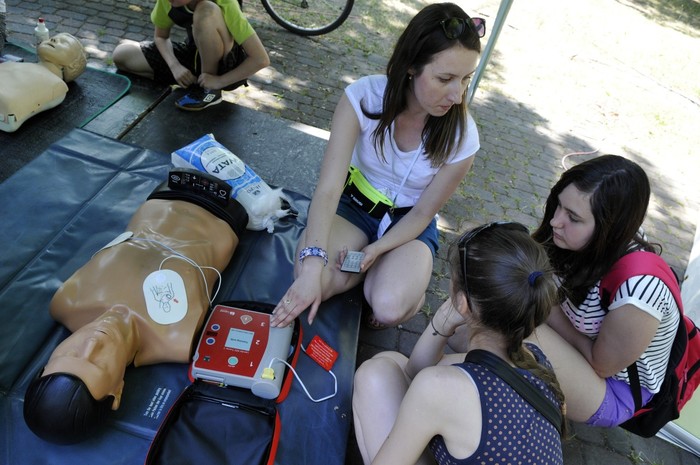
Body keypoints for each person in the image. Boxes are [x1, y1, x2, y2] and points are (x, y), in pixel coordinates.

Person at [271, 3, 484, 329]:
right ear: (411, 66)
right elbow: (328, 188)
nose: (457, 95)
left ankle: (393, 280)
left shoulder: (463, 136)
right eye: (445, 79)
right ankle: (367, 273)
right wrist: (313, 264)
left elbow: (423, 213)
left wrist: (377, 249)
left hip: (408, 223)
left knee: (388, 308)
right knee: (309, 278)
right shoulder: (363, 97)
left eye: (466, 79)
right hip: (354, 205)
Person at [22, 179, 248, 444]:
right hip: (224, 213)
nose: (92, 342)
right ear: (117, 392)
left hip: (164, 194)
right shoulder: (176, 339)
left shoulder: (68, 300)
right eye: (97, 363)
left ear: (46, 364)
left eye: (70, 354)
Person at [352, 222, 566, 465]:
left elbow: (425, 382)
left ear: (462, 303)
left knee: (373, 376)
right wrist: (442, 322)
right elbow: (415, 373)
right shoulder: (535, 359)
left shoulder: (444, 388)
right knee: (389, 363)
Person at [525, 154, 680, 427]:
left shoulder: (640, 290)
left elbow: (602, 364)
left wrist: (546, 307)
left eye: (573, 217)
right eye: (559, 205)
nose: (555, 221)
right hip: (580, 351)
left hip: (612, 390)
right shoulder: (588, 239)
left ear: (611, 228)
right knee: (484, 320)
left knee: (506, 333)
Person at [112, 0, 270, 111]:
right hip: (193, 57)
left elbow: (260, 59)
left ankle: (208, 90)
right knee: (122, 54)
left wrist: (219, 81)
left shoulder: (226, 2)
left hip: (224, 68)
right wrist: (175, 66)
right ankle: (192, 83)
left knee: (206, 9)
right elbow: (161, 37)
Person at [0, 32, 87, 132]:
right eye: (52, 38)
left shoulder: (56, 85)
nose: (53, 40)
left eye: (64, 43)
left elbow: (11, 105)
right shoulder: (19, 65)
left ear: (73, 65)